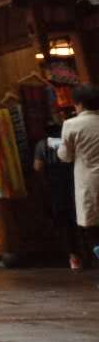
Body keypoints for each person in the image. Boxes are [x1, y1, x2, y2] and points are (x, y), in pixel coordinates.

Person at [58, 84, 99, 268]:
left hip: (89, 181)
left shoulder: (71, 124)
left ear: (79, 104)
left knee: (92, 226)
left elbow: (65, 156)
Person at [35, 112, 82, 269]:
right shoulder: (69, 141)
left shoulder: (42, 145)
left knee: (65, 223)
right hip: (76, 182)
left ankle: (74, 257)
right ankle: (90, 252)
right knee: (81, 219)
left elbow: (38, 166)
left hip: (56, 188)